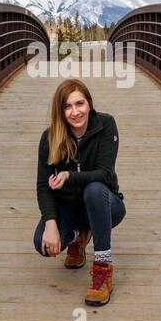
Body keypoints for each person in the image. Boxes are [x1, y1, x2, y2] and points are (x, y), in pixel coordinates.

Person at [31, 78, 125, 306]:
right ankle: (78, 235)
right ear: (60, 111)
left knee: (94, 190)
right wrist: (51, 223)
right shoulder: (50, 137)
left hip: (106, 204)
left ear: (89, 104)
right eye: (67, 107)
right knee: (42, 244)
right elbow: (44, 186)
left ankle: (103, 269)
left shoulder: (105, 125)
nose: (75, 112)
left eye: (80, 104)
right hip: (70, 208)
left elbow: (104, 174)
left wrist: (69, 176)